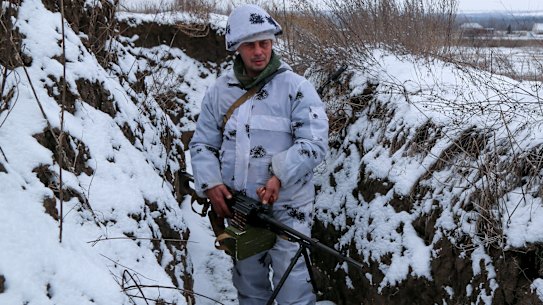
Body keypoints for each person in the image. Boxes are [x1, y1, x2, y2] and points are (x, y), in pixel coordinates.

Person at [189, 4, 328, 305]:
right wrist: (212, 184)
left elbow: (314, 142)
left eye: (264, 43)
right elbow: (203, 144)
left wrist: (279, 176)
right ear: (236, 47)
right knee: (249, 286)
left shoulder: (297, 88)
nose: (258, 51)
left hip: (288, 208)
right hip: (240, 209)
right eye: (250, 45)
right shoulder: (219, 93)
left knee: (293, 287)